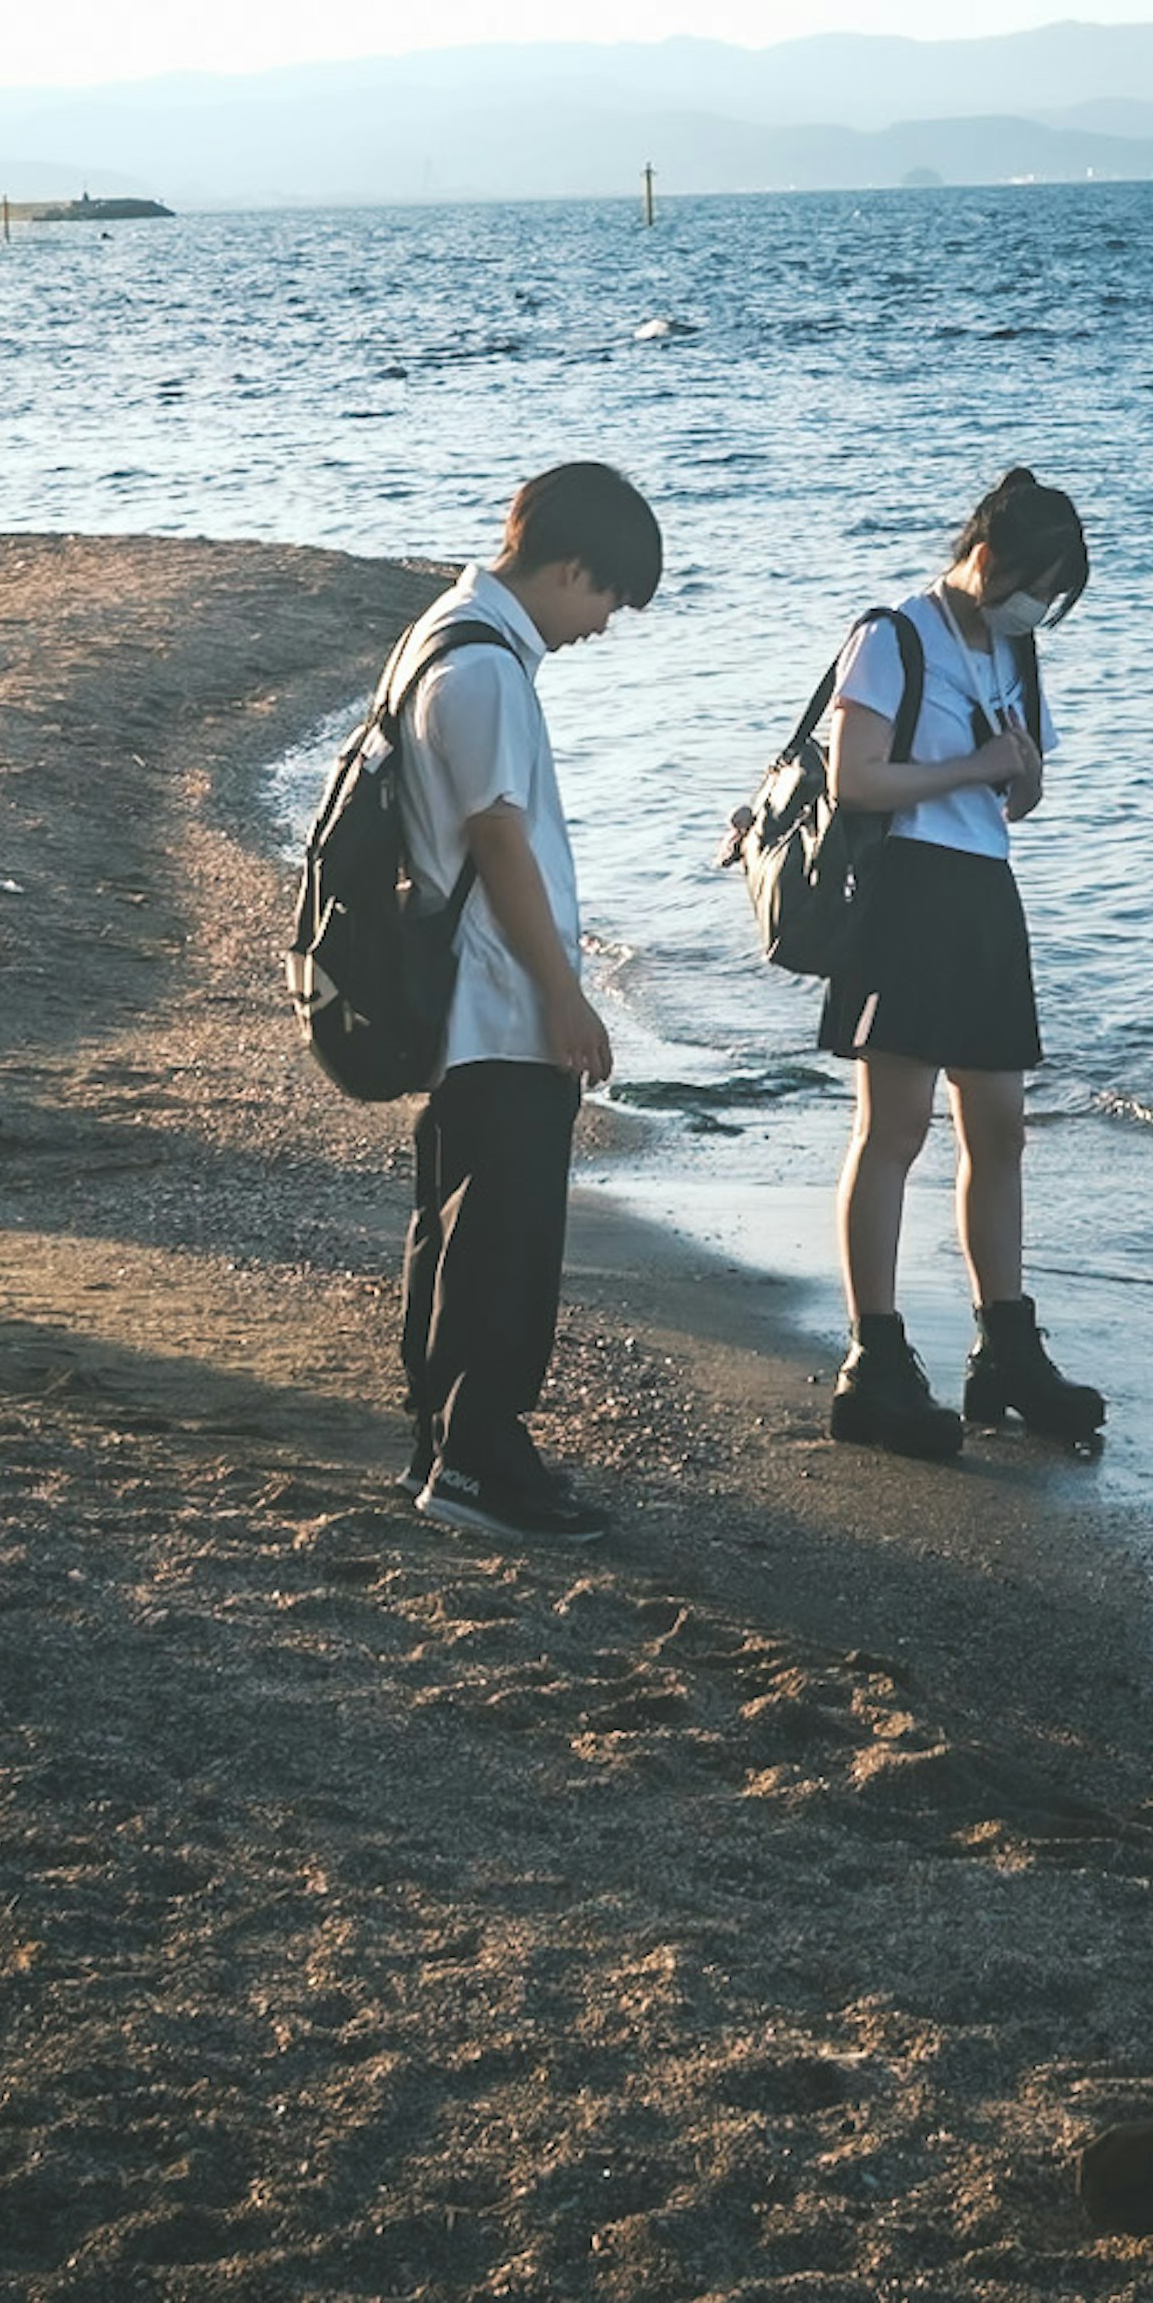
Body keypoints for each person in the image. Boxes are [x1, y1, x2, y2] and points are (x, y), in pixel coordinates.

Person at [394, 457, 662, 1543]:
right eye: (608, 597)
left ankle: (448, 1444)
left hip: (469, 997)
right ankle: (476, 1461)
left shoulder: (446, 633)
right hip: (500, 1000)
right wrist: (568, 998)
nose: (604, 623)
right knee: (503, 1244)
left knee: (459, 1233)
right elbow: (499, 843)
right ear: (569, 566)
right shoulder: (489, 671)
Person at [820, 466, 1109, 1462]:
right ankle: (877, 1358)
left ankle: (1008, 1347)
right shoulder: (897, 634)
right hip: (906, 894)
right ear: (985, 556)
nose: (1040, 606)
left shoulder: (1016, 651)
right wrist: (976, 770)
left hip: (985, 895)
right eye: (1035, 582)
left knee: (1000, 1127)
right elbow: (854, 779)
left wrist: (1016, 780)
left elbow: (1009, 803)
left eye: (1056, 595)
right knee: (893, 1128)